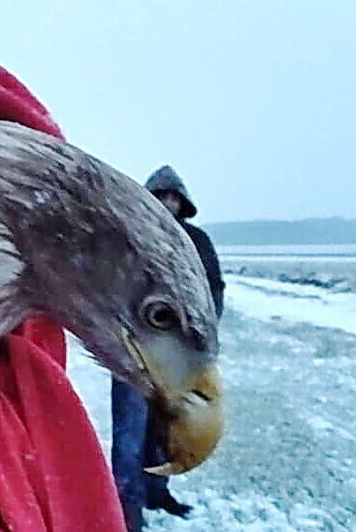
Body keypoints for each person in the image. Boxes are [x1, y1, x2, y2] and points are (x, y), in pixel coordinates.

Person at [111, 164, 224, 530]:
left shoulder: (197, 241)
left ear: (183, 202)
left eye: (173, 197)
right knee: (129, 433)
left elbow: (214, 289)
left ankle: (157, 491)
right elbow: (111, 288)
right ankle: (127, 509)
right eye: (160, 195)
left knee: (165, 431)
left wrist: (202, 337)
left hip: (177, 359)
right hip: (132, 353)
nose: (167, 202)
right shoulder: (130, 237)